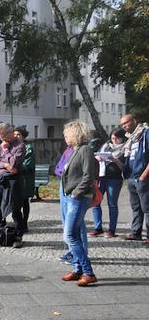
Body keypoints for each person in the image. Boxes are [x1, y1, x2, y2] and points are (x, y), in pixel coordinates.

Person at [60, 120, 97, 286]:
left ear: (75, 133)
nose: (65, 137)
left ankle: (88, 272)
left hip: (79, 197)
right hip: (71, 196)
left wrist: (75, 194)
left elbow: (88, 176)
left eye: (67, 133)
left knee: (70, 235)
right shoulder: (75, 150)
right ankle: (77, 269)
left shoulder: (85, 150)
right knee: (73, 235)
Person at [0, 123, 26, 248]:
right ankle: (0, 233)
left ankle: (18, 236)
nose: (1, 139)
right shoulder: (2, 144)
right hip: (1, 180)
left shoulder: (20, 146)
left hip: (13, 181)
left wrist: (6, 151)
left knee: (15, 210)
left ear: (9, 133)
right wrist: (5, 165)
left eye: (3, 136)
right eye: (1, 136)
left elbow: (14, 164)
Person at [90, 128, 126, 238]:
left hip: (115, 178)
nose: (114, 140)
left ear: (122, 138)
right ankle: (98, 228)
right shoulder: (106, 145)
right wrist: (97, 157)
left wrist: (116, 160)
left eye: (117, 138)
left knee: (112, 204)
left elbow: (124, 167)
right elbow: (95, 155)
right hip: (101, 177)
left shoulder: (125, 148)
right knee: (95, 202)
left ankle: (112, 229)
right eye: (112, 138)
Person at [120, 114, 149, 243]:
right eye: (122, 125)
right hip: (131, 177)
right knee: (136, 207)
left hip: (142, 177)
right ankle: (136, 232)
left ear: (134, 121)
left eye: (126, 123)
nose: (124, 126)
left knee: (147, 208)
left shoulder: (145, 134)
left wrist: (144, 176)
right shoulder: (131, 139)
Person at [14, 126, 36, 232]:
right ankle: (18, 222)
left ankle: (25, 223)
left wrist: (14, 165)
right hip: (16, 177)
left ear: (23, 136)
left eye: (18, 134)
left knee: (24, 201)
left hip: (25, 178)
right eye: (14, 134)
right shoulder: (13, 146)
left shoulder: (28, 148)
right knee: (16, 202)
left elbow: (27, 164)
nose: (16, 136)